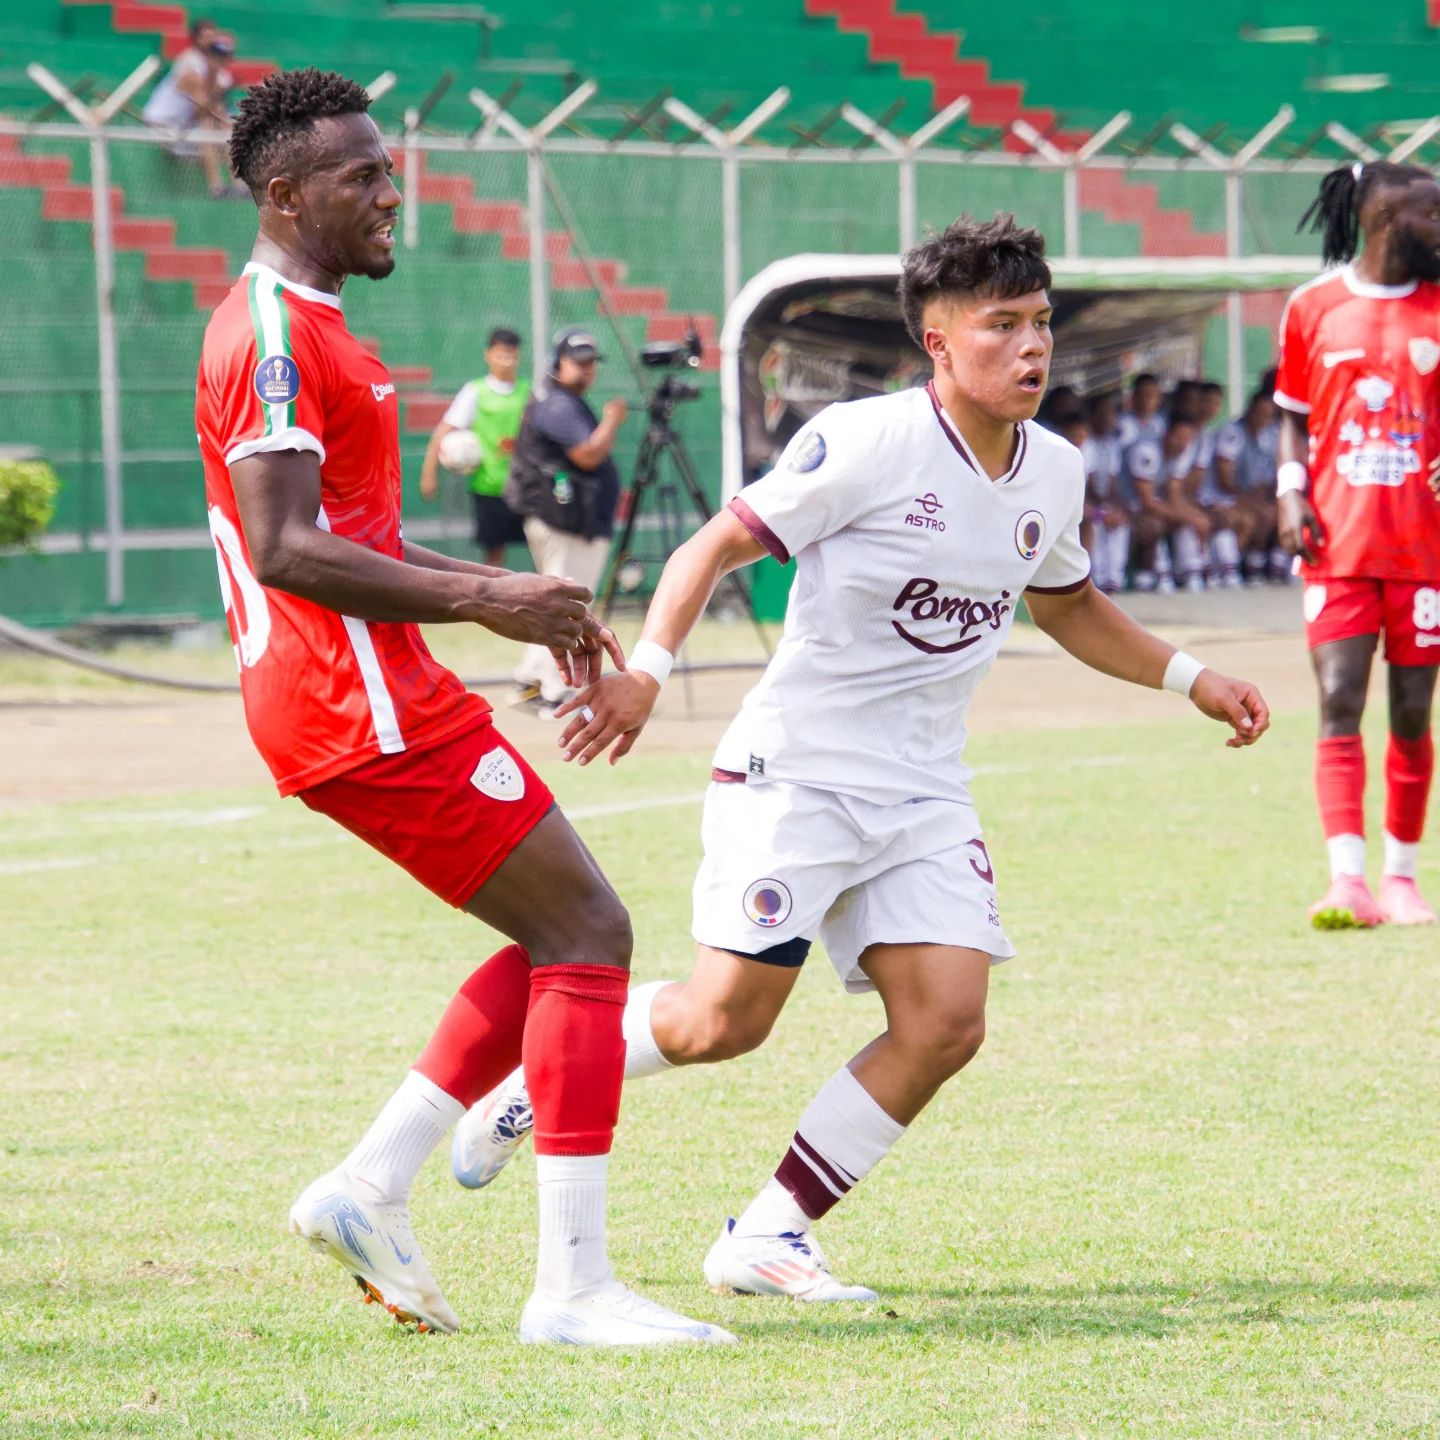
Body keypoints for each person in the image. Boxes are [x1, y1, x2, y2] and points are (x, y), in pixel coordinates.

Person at [450, 214, 1270, 1301]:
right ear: (937, 340)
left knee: (946, 1021)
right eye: (1002, 327)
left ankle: (771, 1231)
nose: (1033, 348)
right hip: (800, 773)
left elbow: (1068, 606)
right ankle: (536, 1086)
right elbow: (715, 542)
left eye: (1041, 324)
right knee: (718, 1024)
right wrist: (645, 669)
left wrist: (1191, 677)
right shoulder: (868, 441)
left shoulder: (1055, 469)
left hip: (924, 787)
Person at [197, 67, 731, 1347]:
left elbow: (351, 535)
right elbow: (283, 545)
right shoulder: (274, 331)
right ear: (284, 193)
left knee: (565, 934)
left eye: (390, 168)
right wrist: (489, 594)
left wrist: (516, 595)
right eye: (360, 176)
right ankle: (571, 1290)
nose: (394, 192)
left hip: (371, 691)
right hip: (355, 702)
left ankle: (373, 1184)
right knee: (591, 932)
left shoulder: (313, 323)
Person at [1275, 159, 1440, 928]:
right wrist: (1290, 492)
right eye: (1433, 216)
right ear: (1385, 222)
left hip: (1425, 548)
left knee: (1412, 711)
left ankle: (1402, 877)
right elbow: (1291, 413)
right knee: (1339, 699)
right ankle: (1348, 881)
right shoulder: (1312, 306)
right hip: (1337, 542)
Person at [506, 329, 627, 714]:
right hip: (564, 522)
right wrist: (612, 421)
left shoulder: (562, 400)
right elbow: (588, 455)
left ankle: (531, 681)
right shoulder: (557, 404)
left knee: (555, 600)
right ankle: (555, 691)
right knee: (568, 605)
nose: (586, 369)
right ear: (557, 363)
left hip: (563, 519)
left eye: (591, 362)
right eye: (578, 361)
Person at [419, 327, 530, 569]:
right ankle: (497, 604)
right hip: (490, 486)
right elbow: (443, 432)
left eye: (511, 355)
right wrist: (429, 473)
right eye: (501, 354)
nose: (506, 361)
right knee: (494, 555)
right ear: (488, 355)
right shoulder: (475, 391)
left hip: (526, 487)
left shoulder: (528, 391)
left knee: (539, 547)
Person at [141, 18, 242, 198]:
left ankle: (238, 185)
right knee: (208, 124)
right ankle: (216, 186)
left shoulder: (222, 77)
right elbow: (202, 109)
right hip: (163, 123)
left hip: (186, 124)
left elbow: (215, 109)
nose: (221, 62)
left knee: (224, 125)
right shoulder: (190, 66)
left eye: (224, 57)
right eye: (218, 56)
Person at [1124, 412, 1207, 592]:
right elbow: (1146, 501)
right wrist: (1190, 518)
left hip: (1149, 506)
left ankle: (1190, 572)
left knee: (1186, 520)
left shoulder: (1181, 453)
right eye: (1179, 437)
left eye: (1188, 438)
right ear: (1167, 435)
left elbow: (1174, 496)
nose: (1184, 443)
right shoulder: (1146, 451)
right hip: (1126, 506)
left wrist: (1195, 517)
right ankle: (1156, 575)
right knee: (1157, 523)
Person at [1080, 390, 1131, 593]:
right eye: (1103, 412)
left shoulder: (1111, 444)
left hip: (1097, 503)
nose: (1108, 418)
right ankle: (1096, 577)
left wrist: (1117, 507)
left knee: (1120, 519)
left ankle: (1114, 578)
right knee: (1098, 519)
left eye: (1111, 413)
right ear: (1092, 415)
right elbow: (1088, 487)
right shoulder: (1087, 442)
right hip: (1081, 504)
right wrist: (1102, 509)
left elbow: (1110, 486)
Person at [1117, 371, 1165, 447]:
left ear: (1159, 398)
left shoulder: (1163, 423)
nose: (1147, 400)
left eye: (1151, 395)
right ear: (1134, 397)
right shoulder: (1122, 423)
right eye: (1143, 395)